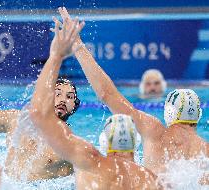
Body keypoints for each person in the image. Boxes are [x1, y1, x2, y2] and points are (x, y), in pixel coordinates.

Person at [57, 7, 209, 180]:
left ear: (169, 112)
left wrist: (77, 45)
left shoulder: (155, 131)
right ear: (198, 115)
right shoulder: (206, 152)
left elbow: (107, 94)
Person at [29, 14, 161, 189]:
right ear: (136, 142)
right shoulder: (152, 180)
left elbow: (38, 114)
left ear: (104, 141)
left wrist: (56, 56)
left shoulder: (90, 162)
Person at [0, 15, 82, 181]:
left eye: (70, 97)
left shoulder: (71, 148)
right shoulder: (16, 120)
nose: (63, 100)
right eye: (57, 93)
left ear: (74, 106)